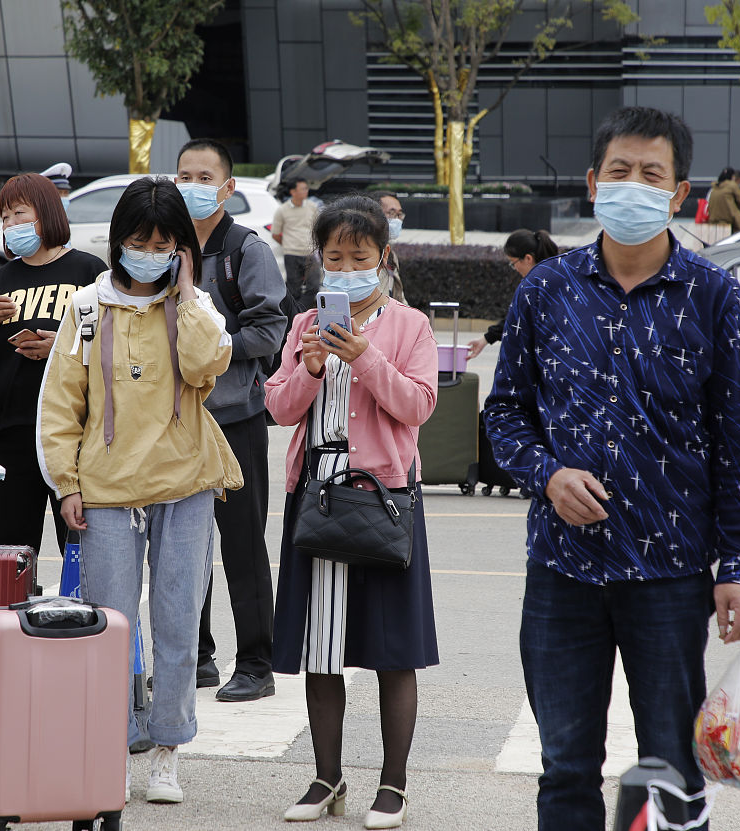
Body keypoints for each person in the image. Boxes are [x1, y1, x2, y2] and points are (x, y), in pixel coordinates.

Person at [483, 107, 740, 831]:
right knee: (566, 767)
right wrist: (548, 473)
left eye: (651, 174)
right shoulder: (545, 291)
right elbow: (505, 414)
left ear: (678, 193)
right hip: (562, 572)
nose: (633, 185)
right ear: (592, 182)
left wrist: (737, 562)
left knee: (669, 768)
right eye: (620, 171)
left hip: (670, 577)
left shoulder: (714, 296)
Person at [38, 176, 242, 805]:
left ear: (182, 248)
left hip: (185, 483)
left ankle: (167, 750)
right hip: (104, 491)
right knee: (109, 627)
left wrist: (185, 294)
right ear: (118, 241)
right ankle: (111, 746)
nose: (149, 253)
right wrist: (66, 484)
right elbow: (59, 405)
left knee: (179, 623)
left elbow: (209, 364)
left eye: (164, 243)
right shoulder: (86, 309)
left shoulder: (197, 308)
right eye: (138, 241)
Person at [267, 195, 439, 830]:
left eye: (358, 257)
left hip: (385, 499)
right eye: (333, 257)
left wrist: (363, 356)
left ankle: (393, 785)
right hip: (317, 495)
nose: (344, 268)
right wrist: (311, 368)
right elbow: (280, 410)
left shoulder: (409, 325)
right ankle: (326, 776)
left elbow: (418, 406)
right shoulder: (303, 324)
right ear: (319, 260)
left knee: (396, 648)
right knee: (322, 645)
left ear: (383, 258)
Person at [176, 138, 286, 701]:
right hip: (175, 421)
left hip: (235, 414)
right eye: (183, 175)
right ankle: (197, 655)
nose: (192, 185)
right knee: (183, 543)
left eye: (204, 176)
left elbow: (270, 331)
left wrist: (210, 351)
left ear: (227, 187)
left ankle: (256, 663)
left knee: (241, 542)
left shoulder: (247, 249)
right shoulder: (163, 250)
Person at [0, 173, 105, 553]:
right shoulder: (1, 278)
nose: (11, 225)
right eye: (5, 217)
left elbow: (114, 347)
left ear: (48, 213)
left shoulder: (88, 272)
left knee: (81, 545)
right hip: (9, 434)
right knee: (11, 550)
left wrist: (62, 347)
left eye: (20, 213)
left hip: (74, 435)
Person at [466, 228, 558, 359]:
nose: (514, 268)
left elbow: (518, 320)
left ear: (528, 258)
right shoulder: (556, 274)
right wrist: (486, 339)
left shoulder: (539, 286)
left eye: (513, 262)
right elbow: (516, 318)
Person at [272, 178, 320, 302]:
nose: (306, 191)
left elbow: (317, 228)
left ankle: (301, 311)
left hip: (309, 253)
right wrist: (289, 245)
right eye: (303, 189)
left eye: (306, 188)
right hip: (291, 254)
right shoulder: (282, 210)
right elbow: (275, 234)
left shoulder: (312, 207)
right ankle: (294, 316)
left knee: (314, 285)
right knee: (293, 289)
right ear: (293, 192)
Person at [368, 191, 407, 302]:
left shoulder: (391, 254)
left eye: (399, 214)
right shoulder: (364, 253)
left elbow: (399, 297)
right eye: (391, 213)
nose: (397, 219)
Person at [707, 166, 740, 235]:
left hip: (712, 220)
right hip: (727, 220)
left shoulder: (714, 188)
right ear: (733, 177)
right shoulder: (732, 185)